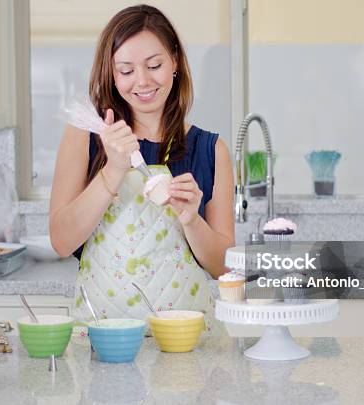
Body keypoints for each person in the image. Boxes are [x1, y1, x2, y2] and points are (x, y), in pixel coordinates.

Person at [49, 4, 234, 323]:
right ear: (111, 73)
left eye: (154, 65)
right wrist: (114, 170)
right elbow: (62, 242)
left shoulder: (210, 149)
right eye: (126, 70)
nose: (143, 81)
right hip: (104, 341)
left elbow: (223, 268)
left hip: (183, 342)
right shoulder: (86, 136)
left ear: (175, 61)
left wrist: (192, 220)